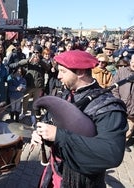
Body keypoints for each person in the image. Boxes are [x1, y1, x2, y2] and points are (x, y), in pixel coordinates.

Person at [31, 50, 127, 187]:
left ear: (80, 72)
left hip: (81, 182)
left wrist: (58, 135)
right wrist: (42, 133)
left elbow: (111, 153)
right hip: (54, 172)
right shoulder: (66, 93)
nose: (58, 76)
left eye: (63, 71)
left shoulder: (107, 107)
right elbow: (51, 122)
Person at [111, 54, 134, 152]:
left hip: (133, 108)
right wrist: (118, 100)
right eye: (133, 62)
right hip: (121, 104)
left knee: (131, 126)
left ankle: (124, 143)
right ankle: (113, 142)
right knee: (117, 125)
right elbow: (114, 88)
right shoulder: (122, 72)